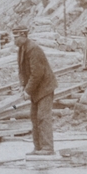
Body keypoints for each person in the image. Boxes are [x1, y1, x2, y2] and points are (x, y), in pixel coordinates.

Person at [14, 24, 56, 154]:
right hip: (35, 89)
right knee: (34, 117)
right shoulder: (22, 49)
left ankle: (47, 148)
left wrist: (28, 90)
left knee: (43, 117)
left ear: (24, 35)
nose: (14, 39)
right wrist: (22, 85)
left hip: (44, 88)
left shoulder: (33, 49)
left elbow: (37, 73)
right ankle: (38, 148)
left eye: (16, 36)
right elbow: (21, 70)